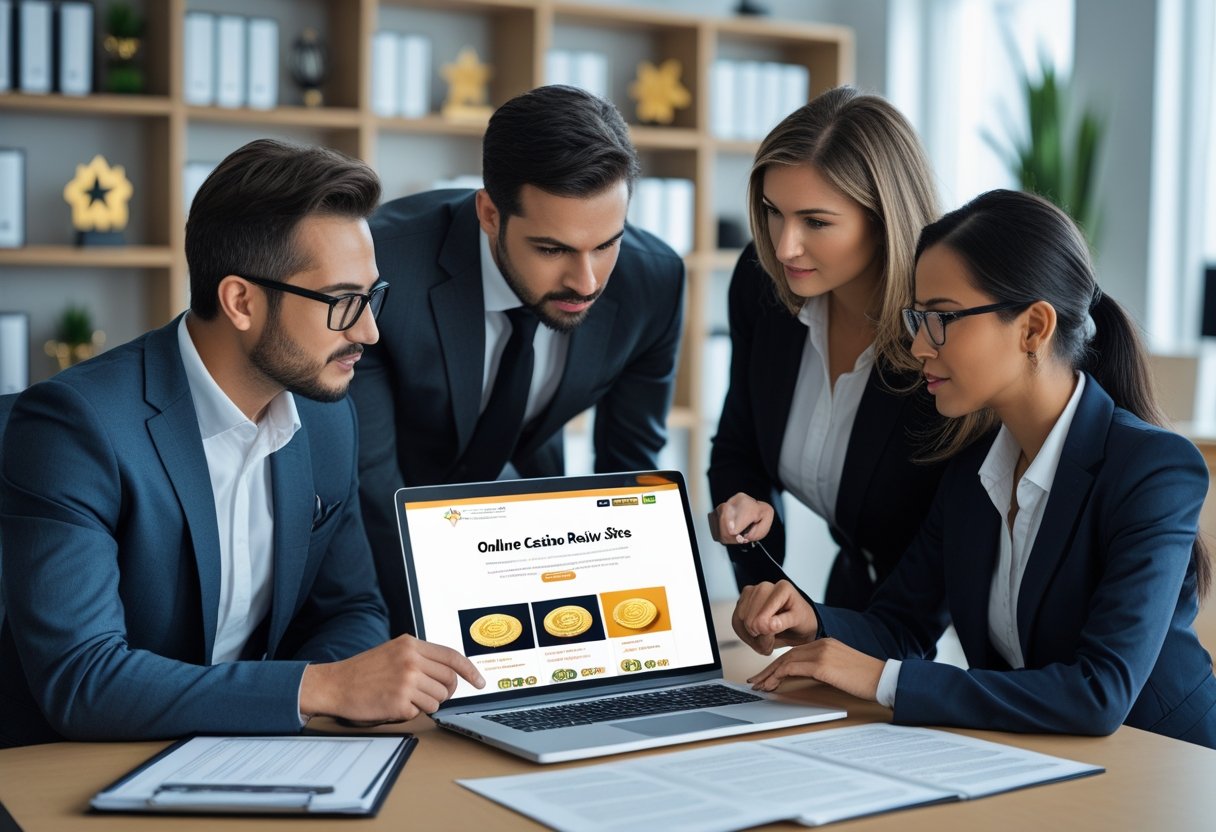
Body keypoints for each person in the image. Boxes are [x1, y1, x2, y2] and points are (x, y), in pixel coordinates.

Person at [0, 139, 484, 748]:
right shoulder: (76, 426)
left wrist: (327, 688)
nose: (369, 330)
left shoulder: (328, 416)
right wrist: (318, 688)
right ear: (240, 301)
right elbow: (83, 681)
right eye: (342, 302)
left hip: (256, 753)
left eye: (373, 295)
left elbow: (352, 609)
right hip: (69, 764)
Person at [733, 189, 1216, 747]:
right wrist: (813, 622)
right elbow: (901, 624)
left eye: (940, 319)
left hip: (1164, 765)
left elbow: (1098, 693)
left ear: (1034, 328)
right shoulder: (971, 467)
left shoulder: (1152, 469)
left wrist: (883, 680)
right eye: (918, 318)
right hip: (1040, 756)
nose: (917, 346)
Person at [351, 85, 686, 636]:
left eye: (606, 244)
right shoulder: (383, 267)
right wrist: (437, 637)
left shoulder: (654, 280)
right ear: (489, 212)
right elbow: (372, 484)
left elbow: (630, 475)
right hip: (382, 539)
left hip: (524, 513)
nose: (587, 281)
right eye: (552, 249)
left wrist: (636, 635)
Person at [708, 86, 946, 606]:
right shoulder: (761, 284)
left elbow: (945, 551)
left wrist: (832, 632)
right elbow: (738, 449)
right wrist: (763, 584)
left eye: (815, 221)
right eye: (773, 211)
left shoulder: (943, 333)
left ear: (885, 219)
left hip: (944, 617)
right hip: (856, 590)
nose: (783, 245)